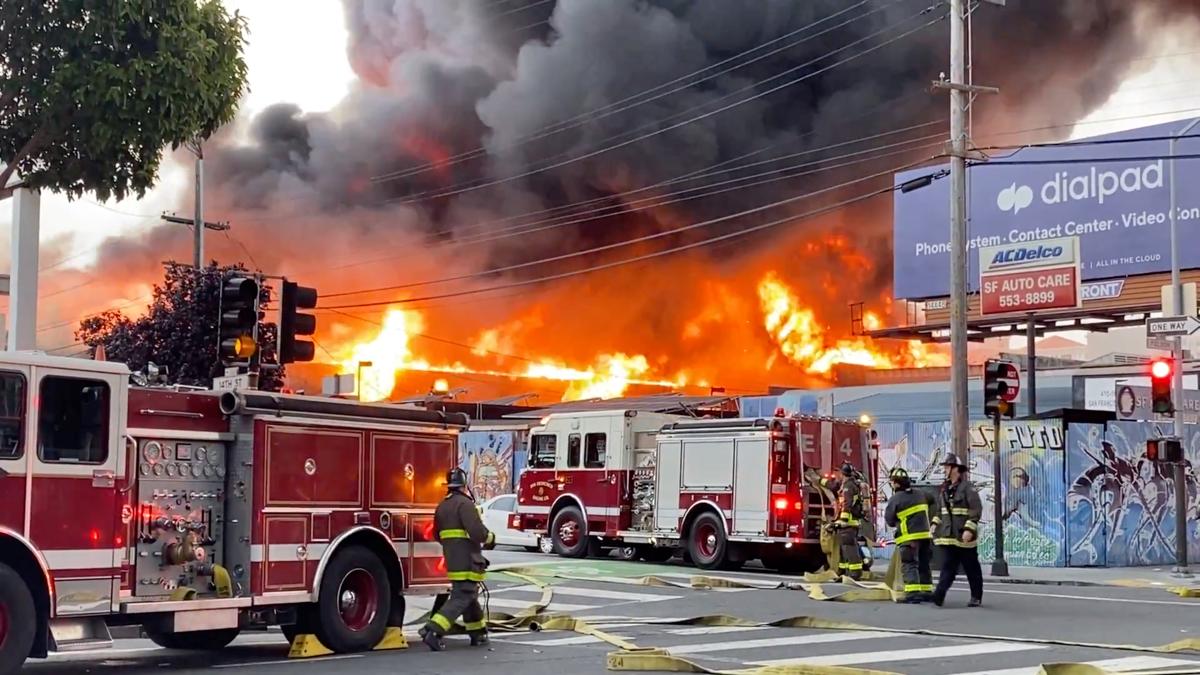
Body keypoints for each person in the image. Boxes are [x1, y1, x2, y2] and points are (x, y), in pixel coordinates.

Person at [421, 467, 496, 651]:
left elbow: (438, 535)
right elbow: (477, 532)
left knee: (469, 596)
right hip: (468, 560)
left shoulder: (442, 506)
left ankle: (478, 633)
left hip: (453, 561)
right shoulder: (465, 504)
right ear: (463, 486)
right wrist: (491, 538)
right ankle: (433, 630)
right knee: (462, 596)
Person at [930, 453, 984, 607]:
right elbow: (941, 510)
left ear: (956, 469)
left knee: (971, 568)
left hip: (964, 536)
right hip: (949, 536)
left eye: (947, 467)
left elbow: (976, 509)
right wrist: (935, 524)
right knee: (948, 567)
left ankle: (976, 596)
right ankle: (939, 595)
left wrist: (970, 529)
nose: (945, 470)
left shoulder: (967, 488)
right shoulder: (945, 489)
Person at [883, 467, 934, 603]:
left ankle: (913, 593)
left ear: (897, 484)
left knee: (909, 564)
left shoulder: (895, 499)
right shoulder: (920, 494)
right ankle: (926, 591)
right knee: (924, 564)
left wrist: (898, 522)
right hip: (925, 537)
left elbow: (889, 520)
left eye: (893, 482)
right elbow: (933, 499)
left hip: (909, 538)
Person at [825, 462, 866, 580]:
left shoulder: (848, 487)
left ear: (842, 474)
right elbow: (832, 486)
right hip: (848, 523)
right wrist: (819, 480)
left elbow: (847, 504)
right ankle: (842, 571)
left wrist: (842, 520)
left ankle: (855, 573)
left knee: (850, 548)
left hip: (849, 523)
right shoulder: (847, 484)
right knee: (844, 549)